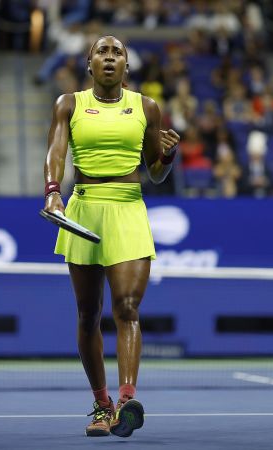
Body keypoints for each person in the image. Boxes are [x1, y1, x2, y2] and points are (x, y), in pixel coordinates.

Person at [43, 35, 179, 438]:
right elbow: (56, 151)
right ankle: (101, 404)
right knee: (88, 314)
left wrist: (167, 157)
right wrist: (53, 193)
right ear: (89, 64)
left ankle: (126, 401)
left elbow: (155, 172)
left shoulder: (146, 107)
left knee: (128, 307)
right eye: (101, 52)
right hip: (84, 207)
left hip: (128, 208)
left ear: (126, 66)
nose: (109, 57)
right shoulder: (69, 104)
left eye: (116, 52)